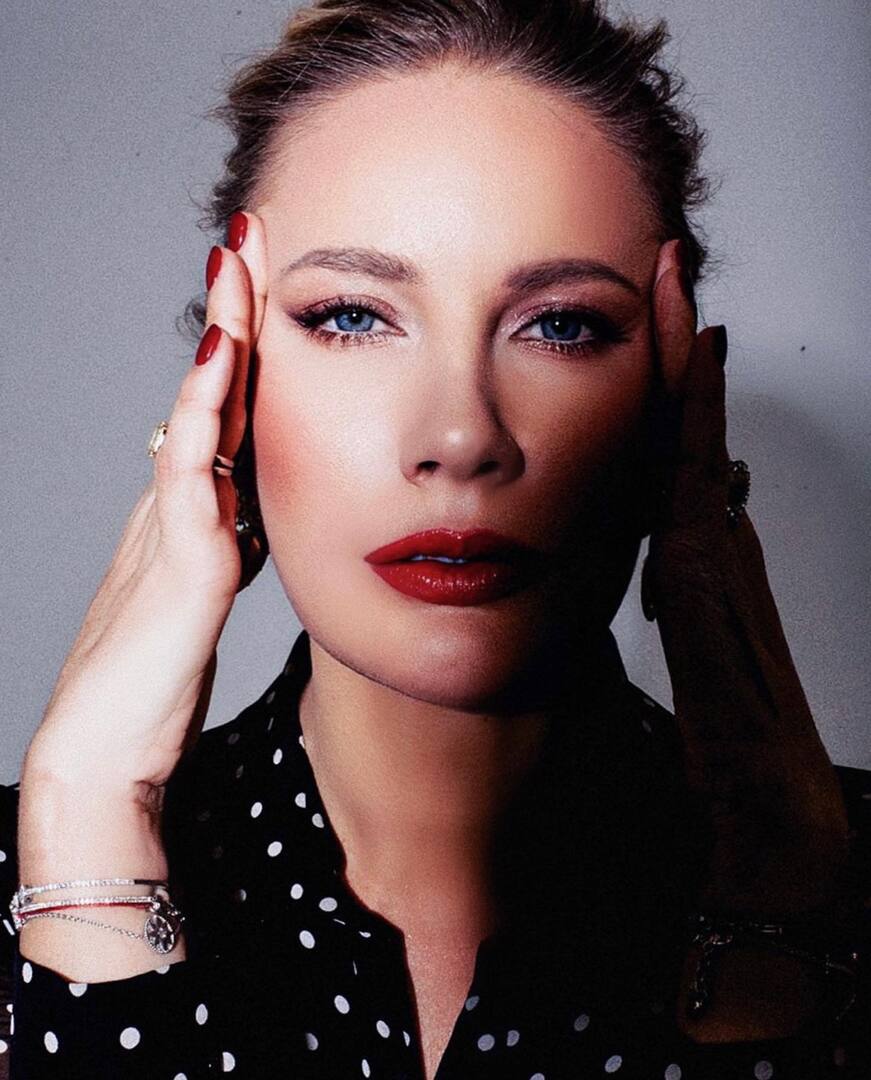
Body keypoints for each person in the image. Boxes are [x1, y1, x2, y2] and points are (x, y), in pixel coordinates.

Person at [1, 0, 869, 1076]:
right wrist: (88, 821)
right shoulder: (35, 867)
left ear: (672, 391)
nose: (461, 437)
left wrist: (774, 901)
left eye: (561, 324)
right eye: (352, 316)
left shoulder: (836, 886)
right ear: (231, 378)